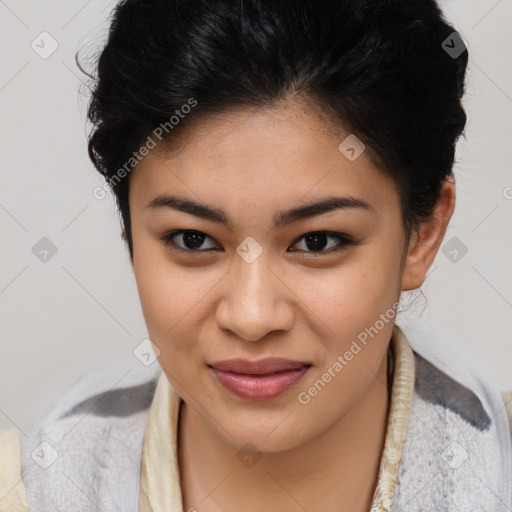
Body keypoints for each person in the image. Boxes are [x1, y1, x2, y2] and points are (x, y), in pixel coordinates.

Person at [1, 0, 511, 511]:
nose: (251, 317)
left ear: (423, 233)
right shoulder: (24, 490)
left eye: (317, 241)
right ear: (130, 228)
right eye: (193, 240)